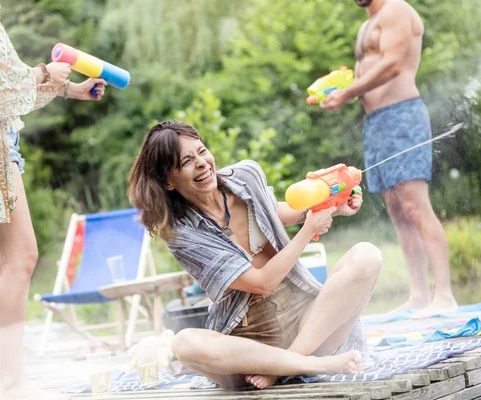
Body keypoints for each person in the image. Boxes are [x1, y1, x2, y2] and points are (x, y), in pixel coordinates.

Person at [127, 120, 382, 389]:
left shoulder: (246, 176)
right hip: (249, 343)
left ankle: (288, 364)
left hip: (307, 328)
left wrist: (326, 205)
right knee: (183, 343)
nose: (201, 163)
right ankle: (311, 365)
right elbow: (262, 283)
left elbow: (275, 214)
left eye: (202, 152)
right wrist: (308, 231)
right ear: (168, 181)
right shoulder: (181, 235)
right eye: (186, 162)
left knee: (367, 256)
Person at [0, 0, 106, 399]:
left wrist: (68, 88)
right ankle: (12, 385)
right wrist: (45, 72)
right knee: (22, 258)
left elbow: (3, 76)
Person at [320, 0, 458, 319]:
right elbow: (368, 69)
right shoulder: (366, 24)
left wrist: (349, 92)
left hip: (402, 117)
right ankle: (419, 295)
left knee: (414, 205)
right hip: (376, 123)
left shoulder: (396, 10)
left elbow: (394, 63)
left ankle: (445, 296)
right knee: (397, 210)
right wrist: (340, 86)